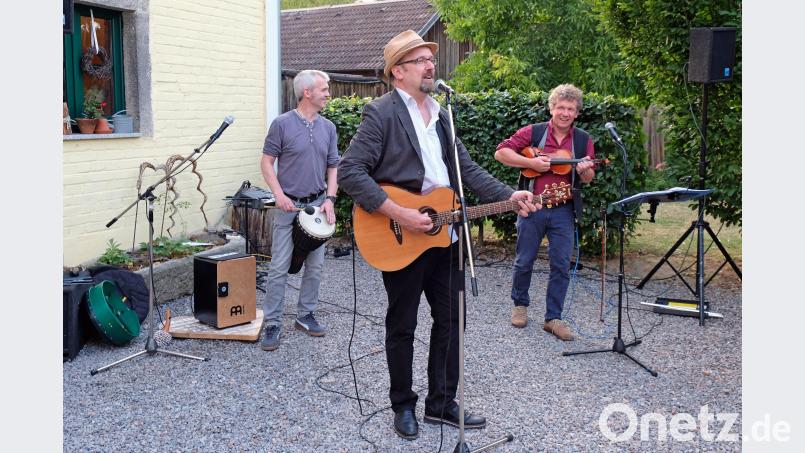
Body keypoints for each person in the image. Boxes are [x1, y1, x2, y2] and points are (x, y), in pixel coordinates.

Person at [337, 30, 537, 440]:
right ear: (398, 72)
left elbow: (466, 172)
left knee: (452, 322)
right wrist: (400, 214)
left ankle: (441, 404)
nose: (431, 64)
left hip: (446, 237)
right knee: (403, 325)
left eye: (431, 58)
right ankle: (403, 405)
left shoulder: (443, 115)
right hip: (400, 236)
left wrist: (509, 194)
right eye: (420, 60)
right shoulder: (382, 113)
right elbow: (350, 172)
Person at [494, 83, 596, 341]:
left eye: (570, 109)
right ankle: (520, 305)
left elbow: (588, 178)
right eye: (560, 107)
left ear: (577, 113)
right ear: (551, 108)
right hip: (532, 206)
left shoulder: (583, 140)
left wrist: (584, 170)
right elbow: (501, 152)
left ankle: (553, 318)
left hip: (563, 209)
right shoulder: (534, 132)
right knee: (524, 259)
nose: (565, 112)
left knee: (561, 264)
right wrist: (530, 163)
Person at [259, 69, 339, 351]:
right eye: (324, 89)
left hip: (317, 206)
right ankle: (272, 324)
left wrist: (330, 199)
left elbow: (333, 166)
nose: (328, 93)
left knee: (315, 267)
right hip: (288, 206)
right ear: (307, 92)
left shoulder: (328, 127)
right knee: (280, 267)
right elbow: (267, 162)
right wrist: (278, 195)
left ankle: (305, 316)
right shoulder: (281, 124)